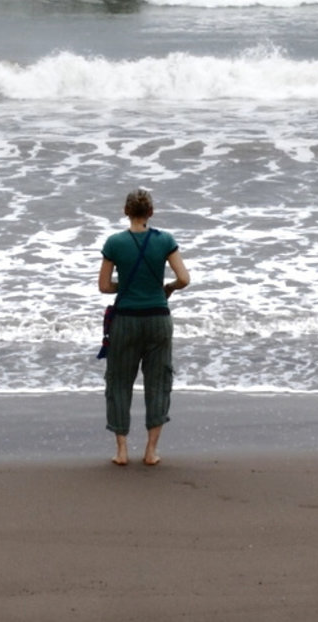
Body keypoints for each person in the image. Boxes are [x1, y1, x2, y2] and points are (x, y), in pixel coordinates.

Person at [99, 186, 190, 466]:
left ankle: (122, 451)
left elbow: (104, 286)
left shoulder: (114, 243)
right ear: (150, 212)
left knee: (119, 382)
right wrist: (168, 288)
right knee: (158, 382)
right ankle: (151, 451)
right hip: (158, 321)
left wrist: (124, 285)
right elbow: (184, 278)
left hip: (125, 321)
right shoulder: (165, 241)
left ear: (126, 212)